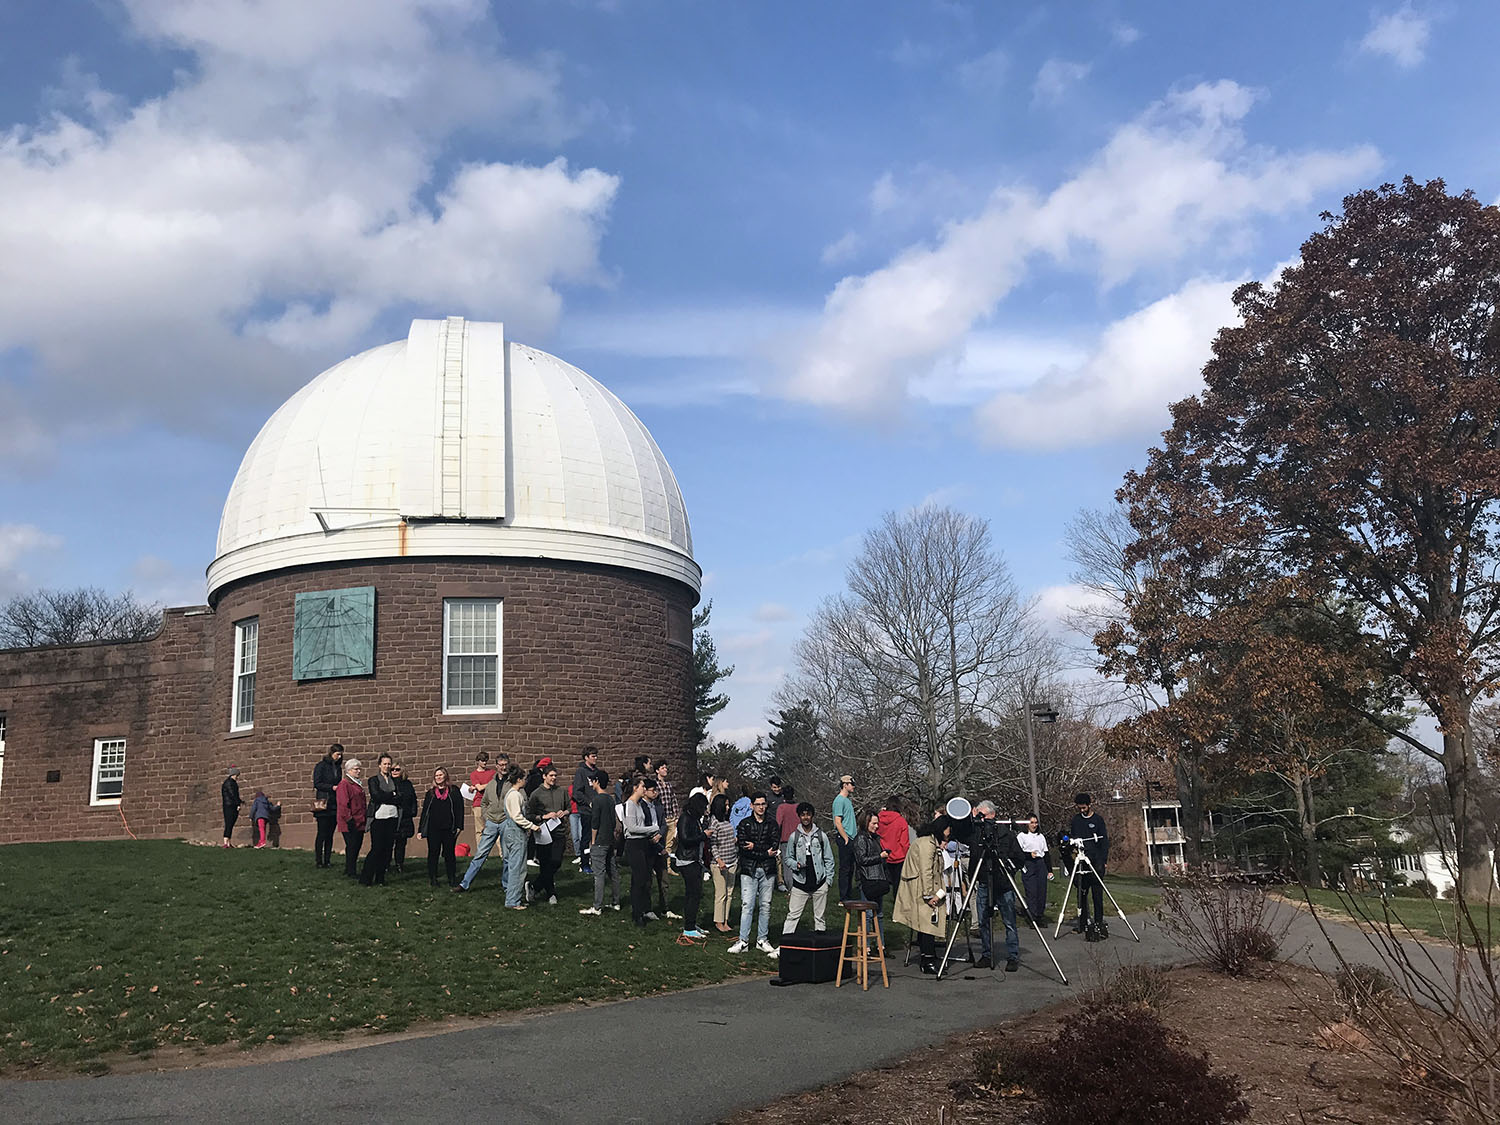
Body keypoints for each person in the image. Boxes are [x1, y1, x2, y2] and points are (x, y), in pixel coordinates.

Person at [970, 800, 1024, 971]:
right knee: (983, 921)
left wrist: (1009, 868)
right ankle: (986, 954)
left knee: (1009, 921)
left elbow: (1018, 858)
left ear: (992, 815)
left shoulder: (1005, 834)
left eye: (982, 816)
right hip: (985, 881)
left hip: (1004, 883)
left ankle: (1013, 956)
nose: (980, 819)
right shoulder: (977, 835)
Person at [893, 816, 952, 975]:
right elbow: (926, 871)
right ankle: (927, 960)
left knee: (925, 925)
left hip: (919, 887)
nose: (949, 832)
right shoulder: (928, 844)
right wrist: (929, 895)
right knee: (928, 925)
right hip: (921, 889)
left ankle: (929, 955)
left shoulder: (928, 842)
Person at [729, 792, 779, 957]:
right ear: (751, 805)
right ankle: (743, 940)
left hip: (767, 870)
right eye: (758, 804)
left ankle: (762, 939)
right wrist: (764, 851)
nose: (761, 807)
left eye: (763, 804)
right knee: (747, 906)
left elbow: (774, 846)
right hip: (749, 870)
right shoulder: (744, 824)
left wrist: (756, 847)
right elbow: (744, 847)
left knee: (766, 905)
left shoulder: (772, 824)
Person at [454, 763, 514, 894]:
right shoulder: (491, 784)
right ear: (497, 766)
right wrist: (487, 815)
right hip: (492, 822)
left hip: (505, 822)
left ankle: (507, 885)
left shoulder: (511, 783)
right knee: (480, 853)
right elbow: (484, 802)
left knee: (507, 856)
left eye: (505, 765)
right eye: (500, 765)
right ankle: (465, 884)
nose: (503, 767)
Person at [781, 802, 835, 935]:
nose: (806, 818)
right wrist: (796, 865)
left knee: (819, 918)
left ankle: (820, 945)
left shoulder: (821, 836)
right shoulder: (794, 837)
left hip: (819, 882)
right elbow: (788, 858)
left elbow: (829, 859)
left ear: (812, 816)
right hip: (800, 883)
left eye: (808, 815)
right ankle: (786, 945)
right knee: (792, 915)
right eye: (803, 815)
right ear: (799, 817)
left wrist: (828, 880)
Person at [1068, 793, 1110, 938]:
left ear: (1089, 805)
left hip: (1096, 861)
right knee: (1082, 893)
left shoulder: (1097, 820)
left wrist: (1103, 860)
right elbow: (1073, 839)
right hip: (1081, 861)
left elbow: (1104, 841)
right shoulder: (1076, 820)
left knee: (1097, 893)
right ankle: (1082, 923)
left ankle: (1098, 922)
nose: (1081, 810)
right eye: (1079, 808)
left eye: (1084, 808)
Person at [525, 763, 569, 904]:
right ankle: (551, 893)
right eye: (551, 776)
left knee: (555, 862)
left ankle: (534, 887)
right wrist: (543, 817)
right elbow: (529, 814)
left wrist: (565, 812)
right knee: (545, 864)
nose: (554, 778)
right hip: (543, 832)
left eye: (555, 776)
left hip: (559, 832)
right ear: (544, 777)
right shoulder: (536, 794)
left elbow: (570, 807)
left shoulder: (561, 791)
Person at [622, 774, 662, 927]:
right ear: (635, 788)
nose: (644, 789)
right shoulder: (630, 804)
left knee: (642, 879)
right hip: (634, 844)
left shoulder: (638, 804)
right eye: (642, 787)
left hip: (642, 843)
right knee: (639, 880)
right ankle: (637, 913)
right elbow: (631, 828)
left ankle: (640, 910)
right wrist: (652, 828)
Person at [581, 771, 620, 915]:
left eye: (592, 780)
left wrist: (592, 841)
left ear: (597, 781)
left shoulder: (597, 800)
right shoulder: (610, 799)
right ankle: (616, 902)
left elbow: (595, 822)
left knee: (599, 874)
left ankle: (597, 906)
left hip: (600, 841)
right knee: (613, 872)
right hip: (609, 839)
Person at [500, 765, 539, 907]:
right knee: (518, 868)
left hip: (511, 832)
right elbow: (517, 816)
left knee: (514, 866)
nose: (525, 781)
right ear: (518, 780)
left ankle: (514, 898)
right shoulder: (515, 795)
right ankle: (512, 901)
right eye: (523, 779)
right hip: (516, 833)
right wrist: (532, 826)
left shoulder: (510, 794)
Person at [418, 767, 465, 887]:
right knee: (433, 853)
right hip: (433, 829)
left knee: (449, 854)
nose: (438, 778)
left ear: (445, 776)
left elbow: (459, 809)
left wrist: (459, 826)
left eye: (440, 775)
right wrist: (421, 829)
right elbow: (425, 812)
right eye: (436, 776)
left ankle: (452, 878)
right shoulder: (431, 793)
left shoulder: (454, 791)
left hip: (449, 828)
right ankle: (433, 878)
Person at [852, 808, 892, 949]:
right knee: (868, 913)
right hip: (867, 879)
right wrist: (879, 857)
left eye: (877, 823)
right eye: (874, 823)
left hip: (878, 878)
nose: (876, 826)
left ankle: (881, 944)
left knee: (879, 914)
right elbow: (861, 859)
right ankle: (866, 944)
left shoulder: (875, 839)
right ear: (866, 823)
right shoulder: (861, 839)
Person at [361, 753, 400, 886]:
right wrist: (392, 795)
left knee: (388, 849)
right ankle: (366, 878)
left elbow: (400, 797)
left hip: (392, 817)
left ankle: (380, 878)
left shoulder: (395, 779)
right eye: (385, 764)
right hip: (379, 818)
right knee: (377, 848)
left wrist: (390, 796)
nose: (387, 766)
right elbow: (377, 796)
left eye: (389, 764)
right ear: (379, 765)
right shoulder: (373, 780)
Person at [674, 791, 710, 938]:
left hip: (695, 859)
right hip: (687, 860)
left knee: (695, 893)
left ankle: (692, 922)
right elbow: (685, 838)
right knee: (693, 894)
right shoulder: (685, 818)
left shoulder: (694, 819)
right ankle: (688, 927)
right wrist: (703, 836)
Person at [653, 761, 682, 919]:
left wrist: (676, 815)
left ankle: (668, 866)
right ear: (657, 770)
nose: (666, 770)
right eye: (663, 768)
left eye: (666, 767)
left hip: (670, 817)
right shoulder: (655, 786)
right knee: (662, 844)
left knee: (670, 844)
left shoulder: (669, 785)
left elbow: (674, 800)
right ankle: (662, 865)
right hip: (660, 818)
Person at [708, 793, 738, 932]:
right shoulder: (714, 821)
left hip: (732, 860)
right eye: (725, 805)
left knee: (729, 893)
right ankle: (718, 921)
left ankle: (726, 920)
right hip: (719, 863)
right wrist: (719, 860)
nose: (728, 807)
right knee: (721, 894)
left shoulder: (727, 821)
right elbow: (712, 844)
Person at [1016, 814, 1053, 924]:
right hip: (1029, 863)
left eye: (1036, 822)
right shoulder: (1022, 836)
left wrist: (1049, 870)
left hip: (1040, 863)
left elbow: (1046, 853)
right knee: (1031, 891)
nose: (1034, 825)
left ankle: (1039, 916)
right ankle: (1032, 916)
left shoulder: (1040, 836)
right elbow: (1018, 852)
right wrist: (1028, 855)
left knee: (1041, 890)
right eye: (1032, 822)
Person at [312, 744, 343, 867]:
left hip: (334, 804)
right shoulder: (321, 766)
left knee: (330, 834)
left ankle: (327, 860)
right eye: (337, 754)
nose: (339, 757)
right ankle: (319, 860)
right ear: (331, 753)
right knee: (322, 833)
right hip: (324, 804)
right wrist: (332, 787)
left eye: (341, 755)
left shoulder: (338, 768)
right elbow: (317, 783)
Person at [571, 747, 600, 875]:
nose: (595, 758)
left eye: (596, 756)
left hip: (597, 811)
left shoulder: (597, 771)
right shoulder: (581, 772)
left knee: (597, 838)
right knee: (586, 838)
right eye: (593, 756)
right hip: (586, 811)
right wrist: (588, 802)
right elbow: (577, 792)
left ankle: (596, 861)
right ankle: (584, 863)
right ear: (586, 757)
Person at [335, 758, 367, 877]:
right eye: (356, 769)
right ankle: (350, 870)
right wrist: (349, 819)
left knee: (356, 846)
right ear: (349, 770)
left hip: (359, 819)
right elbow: (343, 804)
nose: (358, 771)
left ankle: (350, 869)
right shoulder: (344, 784)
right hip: (350, 821)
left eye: (359, 769)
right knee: (352, 845)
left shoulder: (357, 783)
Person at [877, 796, 912, 900]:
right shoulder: (901, 821)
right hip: (898, 856)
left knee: (881, 884)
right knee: (898, 886)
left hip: (883, 853)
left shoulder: (879, 818)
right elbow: (904, 842)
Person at [832, 774, 858, 901]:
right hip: (845, 838)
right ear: (845, 785)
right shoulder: (839, 800)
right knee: (845, 869)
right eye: (851, 784)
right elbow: (838, 821)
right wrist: (846, 838)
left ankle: (848, 894)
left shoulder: (847, 800)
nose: (853, 787)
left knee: (850, 868)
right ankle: (843, 897)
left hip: (851, 837)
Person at [466, 752, 496, 856]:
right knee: (480, 830)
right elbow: (479, 788)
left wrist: (481, 786)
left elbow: (483, 786)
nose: (484, 762)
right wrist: (489, 784)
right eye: (482, 760)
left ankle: (502, 854)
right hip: (478, 803)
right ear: (478, 761)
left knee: (495, 827)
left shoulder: (492, 772)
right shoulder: (474, 774)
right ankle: (481, 854)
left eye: (486, 760)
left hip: (491, 803)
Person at [391, 763, 418, 873]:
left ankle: (399, 864)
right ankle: (386, 864)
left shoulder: (407, 784)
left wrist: (412, 812)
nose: (394, 771)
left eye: (397, 769)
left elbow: (413, 799)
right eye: (392, 769)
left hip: (405, 817)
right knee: (389, 842)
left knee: (401, 843)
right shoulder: (388, 782)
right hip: (393, 816)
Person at [774, 784, 800, 890]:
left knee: (788, 865)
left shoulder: (782, 808)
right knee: (799, 863)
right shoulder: (798, 807)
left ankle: (791, 888)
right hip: (799, 838)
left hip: (786, 840)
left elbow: (778, 824)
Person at [221, 767, 243, 848]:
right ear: (233, 774)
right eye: (237, 775)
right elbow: (232, 794)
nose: (237, 777)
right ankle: (226, 843)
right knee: (229, 823)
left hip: (230, 805)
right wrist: (238, 804)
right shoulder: (230, 783)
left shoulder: (231, 783)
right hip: (230, 806)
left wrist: (240, 801)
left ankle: (228, 842)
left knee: (230, 824)